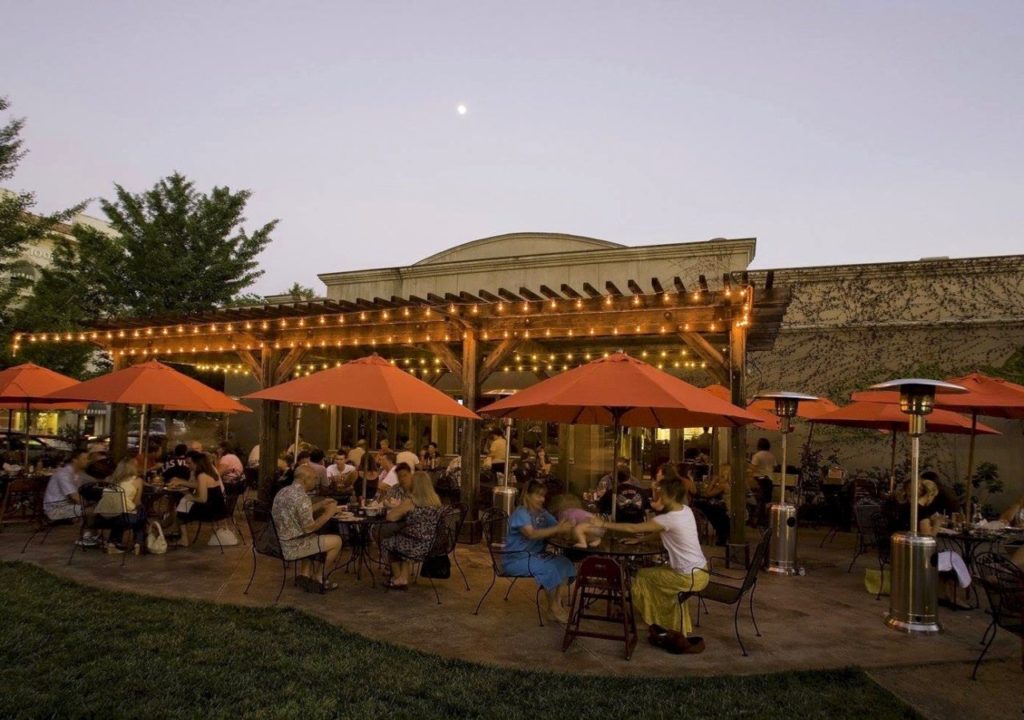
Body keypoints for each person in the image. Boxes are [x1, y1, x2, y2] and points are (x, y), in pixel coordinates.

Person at [594, 475, 709, 641]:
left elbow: (633, 527)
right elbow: (663, 531)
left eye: (660, 493)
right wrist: (641, 540)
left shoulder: (667, 518)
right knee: (653, 578)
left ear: (669, 495)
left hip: (687, 577)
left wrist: (603, 524)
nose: (656, 496)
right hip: (700, 571)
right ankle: (667, 623)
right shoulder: (686, 510)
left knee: (641, 577)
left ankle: (652, 620)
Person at [504, 480, 576, 623]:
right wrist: (558, 529)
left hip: (537, 556)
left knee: (565, 563)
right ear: (527, 496)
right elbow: (531, 534)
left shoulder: (543, 513)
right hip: (517, 559)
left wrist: (570, 525)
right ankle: (554, 607)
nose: (542, 499)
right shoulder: (521, 513)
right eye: (538, 495)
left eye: (543, 496)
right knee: (550, 569)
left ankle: (555, 604)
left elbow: (557, 528)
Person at [271, 464, 343, 592]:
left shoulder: (283, 491)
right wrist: (329, 513)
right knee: (337, 541)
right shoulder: (302, 498)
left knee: (314, 537)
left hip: (280, 541)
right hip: (292, 546)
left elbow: (294, 511)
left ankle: (305, 576)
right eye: (314, 479)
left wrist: (320, 504)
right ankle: (319, 577)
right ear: (306, 479)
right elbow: (310, 528)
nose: (316, 482)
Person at [381, 471, 445, 589]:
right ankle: (403, 577)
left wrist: (396, 507)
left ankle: (397, 577)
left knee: (387, 540)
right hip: (429, 544)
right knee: (403, 538)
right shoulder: (436, 500)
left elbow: (390, 517)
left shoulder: (411, 501)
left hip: (413, 545)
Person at [171, 451, 227, 547]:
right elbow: (199, 486)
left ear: (197, 463)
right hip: (219, 507)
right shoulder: (210, 472)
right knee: (183, 504)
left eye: (189, 463)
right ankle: (177, 532)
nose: (188, 466)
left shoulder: (201, 475)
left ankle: (184, 539)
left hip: (210, 511)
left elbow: (203, 499)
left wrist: (190, 497)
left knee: (181, 507)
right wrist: (182, 483)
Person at [43, 450, 95, 544]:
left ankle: (92, 536)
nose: (87, 461)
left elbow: (94, 482)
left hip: (66, 506)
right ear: (75, 460)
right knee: (92, 510)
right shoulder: (63, 474)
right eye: (84, 459)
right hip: (55, 508)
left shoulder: (79, 474)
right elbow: (74, 496)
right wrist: (88, 504)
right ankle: (87, 537)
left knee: (95, 507)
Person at [98, 457, 147, 554]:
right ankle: (138, 543)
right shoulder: (137, 481)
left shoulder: (109, 479)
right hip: (125, 518)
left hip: (104, 517)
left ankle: (113, 543)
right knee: (141, 512)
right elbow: (137, 502)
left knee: (120, 511)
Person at [692, 472, 731, 546]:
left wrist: (713, 482)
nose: (719, 478)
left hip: (727, 510)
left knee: (704, 506)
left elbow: (707, 494)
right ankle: (720, 534)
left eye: (721, 477)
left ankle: (721, 534)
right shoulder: (726, 485)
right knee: (711, 509)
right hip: (725, 508)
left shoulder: (723, 486)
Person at [749, 438, 776, 527]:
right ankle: (765, 520)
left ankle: (756, 520)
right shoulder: (771, 456)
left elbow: (753, 468)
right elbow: (774, 467)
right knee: (767, 501)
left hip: (759, 479)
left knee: (758, 500)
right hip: (769, 479)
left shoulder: (757, 455)